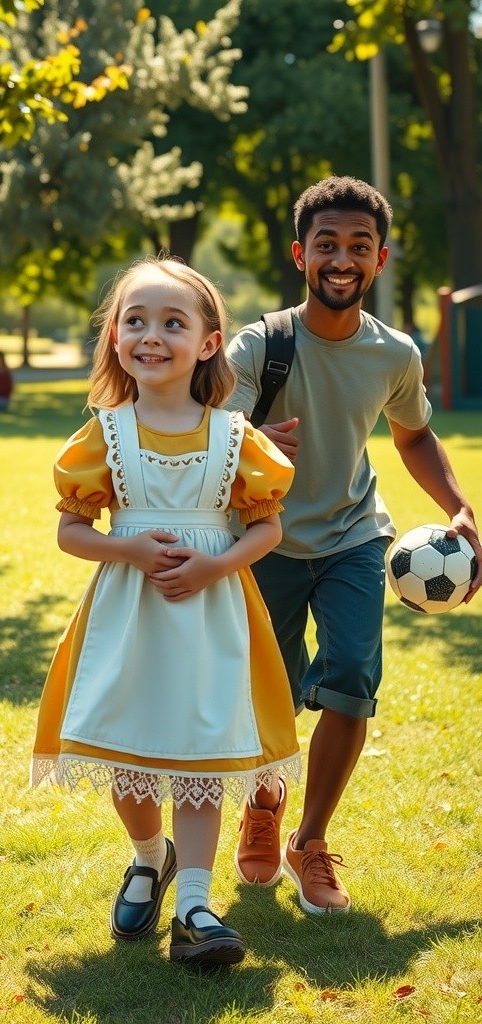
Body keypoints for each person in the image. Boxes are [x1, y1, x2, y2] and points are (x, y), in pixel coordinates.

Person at [31, 255, 301, 967]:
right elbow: (71, 530)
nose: (151, 335)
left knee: (202, 754)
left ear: (208, 342)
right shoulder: (105, 433)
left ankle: (194, 907)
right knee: (133, 752)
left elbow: (267, 527)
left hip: (213, 614)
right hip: (131, 615)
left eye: (171, 322)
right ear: (115, 337)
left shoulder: (237, 438)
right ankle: (150, 856)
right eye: (135, 321)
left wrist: (216, 563)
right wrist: (130, 551)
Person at [226, 176, 482, 915]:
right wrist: (249, 442)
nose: (342, 258)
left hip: (353, 538)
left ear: (381, 259)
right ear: (301, 253)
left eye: (359, 247)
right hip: (263, 541)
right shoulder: (261, 344)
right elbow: (215, 428)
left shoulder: (394, 354)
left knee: (351, 683)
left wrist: (461, 507)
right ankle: (263, 805)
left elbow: (414, 433)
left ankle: (309, 840)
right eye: (327, 245)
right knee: (265, 695)